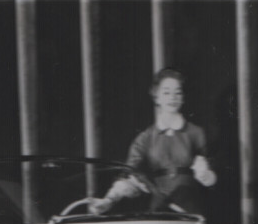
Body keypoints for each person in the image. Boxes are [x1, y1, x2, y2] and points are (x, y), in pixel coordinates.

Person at [90, 68, 217, 215]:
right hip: (159, 210)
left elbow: (211, 171)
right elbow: (129, 174)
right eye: (166, 93)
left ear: (183, 97)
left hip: (191, 210)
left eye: (178, 92)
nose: (172, 97)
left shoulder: (196, 133)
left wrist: (207, 175)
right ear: (156, 97)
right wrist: (108, 200)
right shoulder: (145, 138)